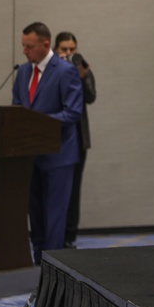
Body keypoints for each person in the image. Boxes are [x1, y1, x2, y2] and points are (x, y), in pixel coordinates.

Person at [12, 22, 84, 264]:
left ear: (45, 45)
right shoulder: (23, 72)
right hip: (30, 156)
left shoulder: (65, 71)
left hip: (58, 156)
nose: (24, 51)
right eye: (23, 45)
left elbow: (73, 113)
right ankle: (38, 267)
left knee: (54, 218)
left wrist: (36, 122)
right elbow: (16, 108)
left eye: (29, 46)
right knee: (37, 218)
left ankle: (52, 271)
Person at [54, 31, 96, 249]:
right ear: (55, 49)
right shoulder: (51, 71)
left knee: (74, 189)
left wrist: (81, 77)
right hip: (54, 138)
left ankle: (69, 237)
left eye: (72, 49)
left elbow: (91, 97)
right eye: (64, 49)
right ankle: (54, 236)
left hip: (78, 138)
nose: (69, 53)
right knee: (55, 190)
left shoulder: (83, 69)